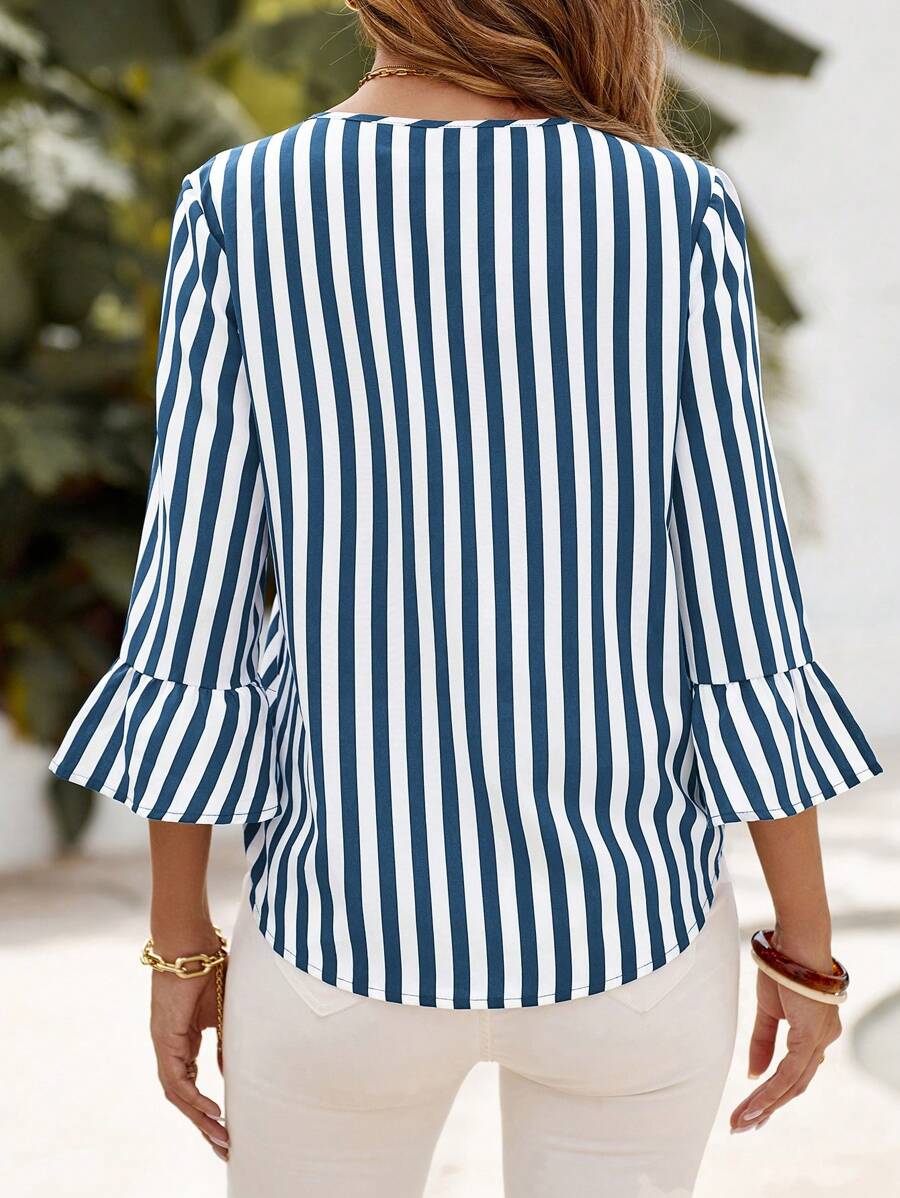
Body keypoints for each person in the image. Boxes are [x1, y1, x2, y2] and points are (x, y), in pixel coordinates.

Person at [49, 1, 883, 1194]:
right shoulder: (672, 209)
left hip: (339, 943)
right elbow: (741, 603)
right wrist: (806, 947)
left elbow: (196, 605)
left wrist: (180, 944)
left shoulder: (242, 205)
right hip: (631, 941)